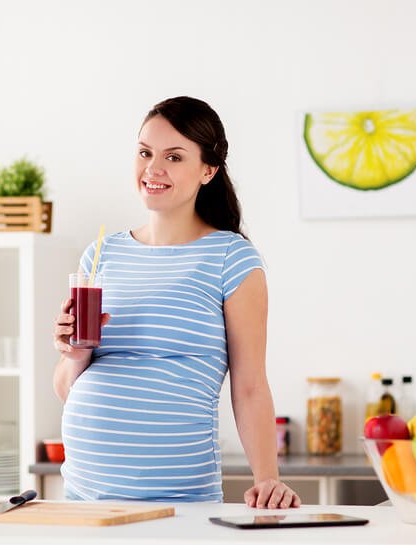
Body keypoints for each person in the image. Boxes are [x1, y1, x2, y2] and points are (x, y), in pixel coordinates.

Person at [52, 96, 300, 509]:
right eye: (145, 152)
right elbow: (66, 389)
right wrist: (74, 354)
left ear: (208, 170)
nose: (153, 168)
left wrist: (268, 480)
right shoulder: (100, 255)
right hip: (86, 498)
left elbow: (251, 386)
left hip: (179, 500)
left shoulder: (231, 258)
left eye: (174, 157)